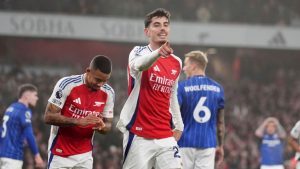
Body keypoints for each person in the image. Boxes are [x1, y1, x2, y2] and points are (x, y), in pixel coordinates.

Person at [116, 8, 184, 169]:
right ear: (147, 31)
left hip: (165, 134)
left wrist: (179, 125)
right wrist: (158, 53)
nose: (162, 28)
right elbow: (139, 65)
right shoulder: (138, 52)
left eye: (166, 25)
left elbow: (172, 94)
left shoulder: (176, 62)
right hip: (139, 134)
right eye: (157, 25)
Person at [44, 55, 115, 169]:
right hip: (60, 153)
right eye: (97, 79)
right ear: (88, 71)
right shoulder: (67, 84)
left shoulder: (109, 93)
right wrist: (78, 121)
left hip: (85, 156)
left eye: (104, 81)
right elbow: (48, 116)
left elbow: (108, 124)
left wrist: (103, 127)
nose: (100, 84)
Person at [177, 50, 225, 169]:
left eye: (186, 64)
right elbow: (220, 123)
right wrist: (221, 145)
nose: (184, 68)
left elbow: (173, 116)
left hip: (184, 142)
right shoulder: (218, 88)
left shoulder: (181, 87)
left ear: (194, 65)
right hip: (208, 143)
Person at [0, 84, 45, 169]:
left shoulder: (10, 108)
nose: (37, 98)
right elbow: (29, 134)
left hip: (2, 154)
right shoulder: (24, 111)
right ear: (27, 96)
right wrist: (37, 155)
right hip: (13, 157)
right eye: (35, 95)